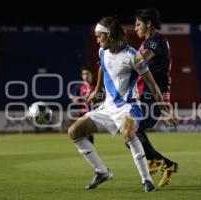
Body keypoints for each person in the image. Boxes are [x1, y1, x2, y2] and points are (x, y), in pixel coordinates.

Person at [68, 16, 177, 192]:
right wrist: (97, 89)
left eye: (99, 36)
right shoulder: (102, 52)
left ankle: (146, 180)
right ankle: (102, 172)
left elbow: (151, 83)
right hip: (108, 108)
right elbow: (102, 66)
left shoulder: (133, 56)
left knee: (128, 133)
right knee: (74, 131)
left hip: (129, 106)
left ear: (110, 35)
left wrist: (164, 110)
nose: (96, 40)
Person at [133, 8, 178, 187]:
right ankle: (165, 164)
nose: (135, 28)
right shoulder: (147, 42)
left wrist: (164, 109)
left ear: (148, 23)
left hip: (153, 97)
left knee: (132, 131)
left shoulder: (156, 41)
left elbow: (139, 62)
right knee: (129, 131)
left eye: (138, 24)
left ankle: (158, 161)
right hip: (144, 96)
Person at [70, 66, 95, 143]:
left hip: (94, 113)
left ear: (92, 75)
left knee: (85, 132)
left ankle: (89, 151)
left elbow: (103, 98)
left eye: (87, 74)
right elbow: (73, 99)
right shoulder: (78, 87)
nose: (85, 76)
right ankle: (89, 150)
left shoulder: (96, 86)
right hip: (82, 113)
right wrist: (78, 99)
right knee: (82, 133)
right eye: (84, 74)